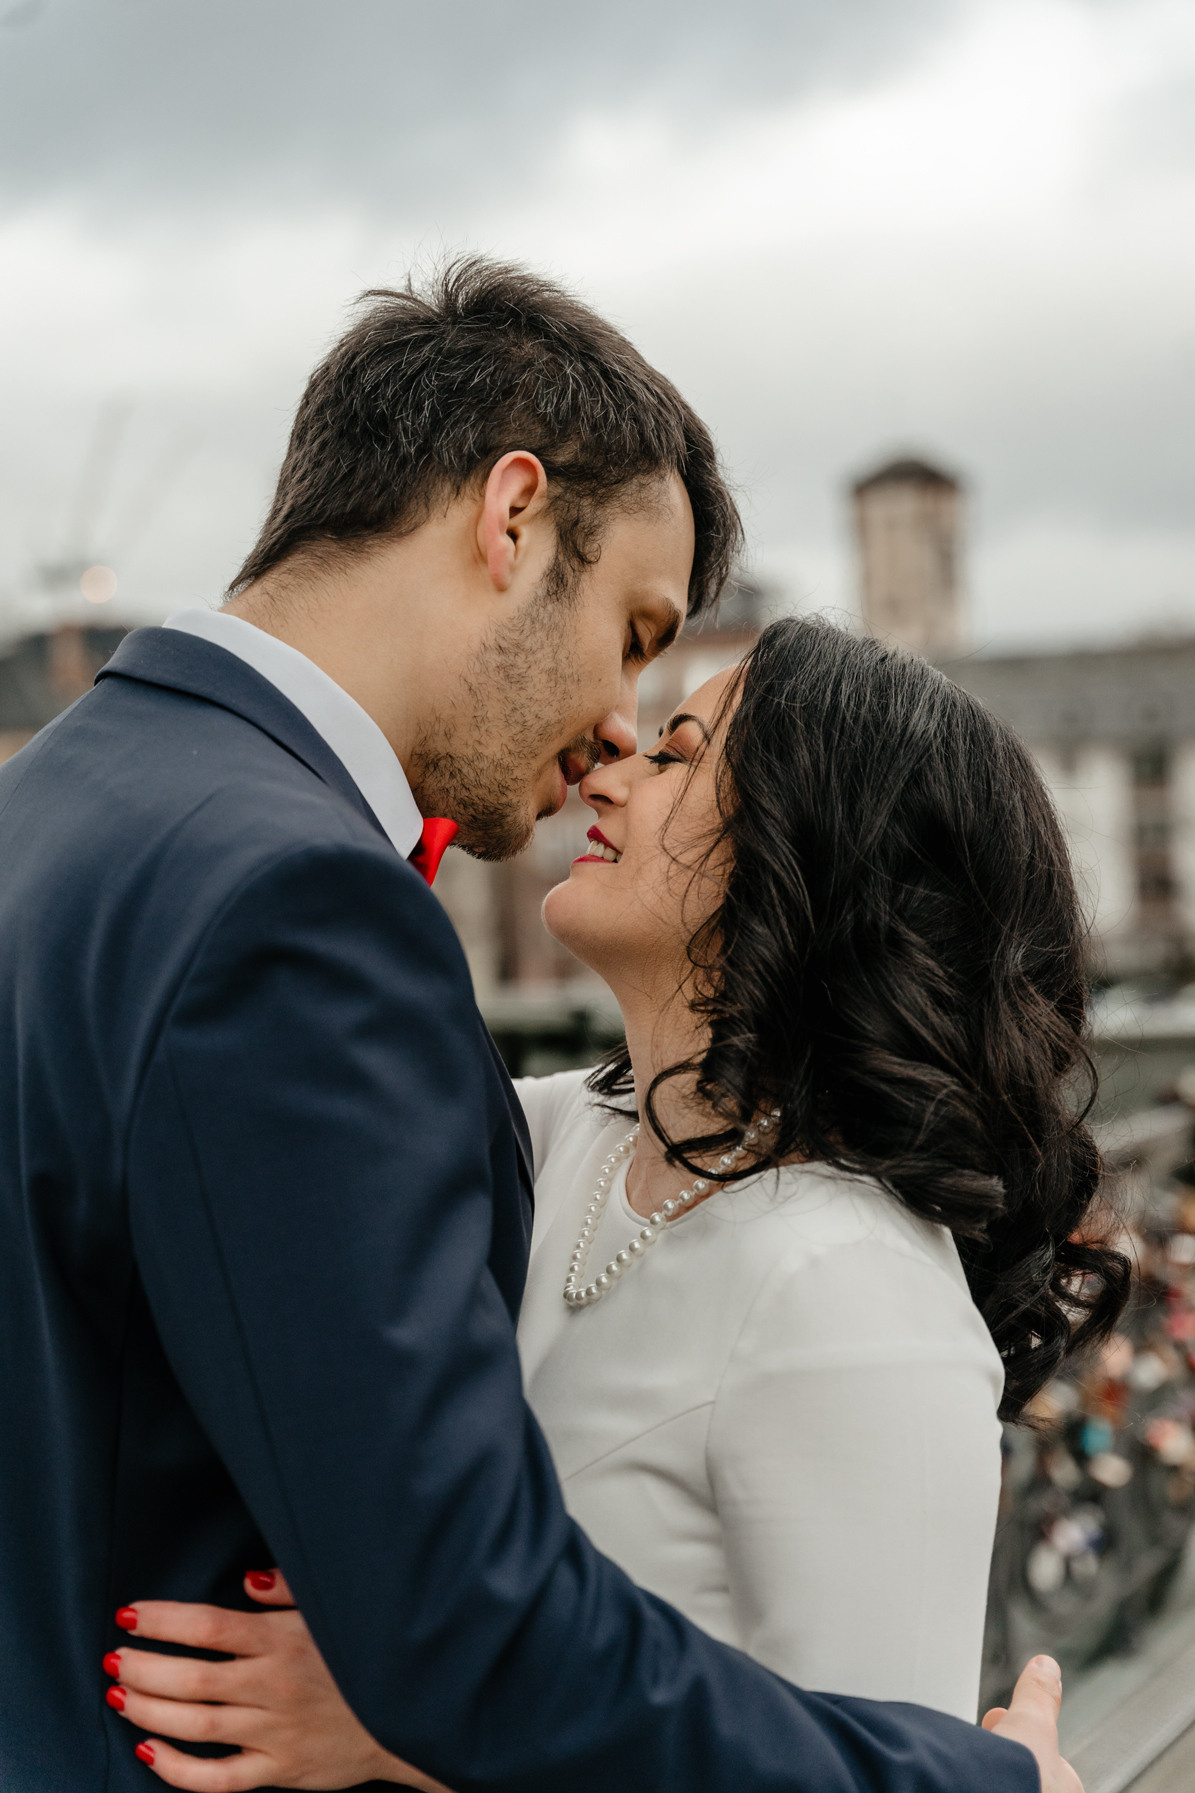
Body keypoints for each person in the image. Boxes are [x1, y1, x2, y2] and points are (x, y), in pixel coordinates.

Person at [0, 257, 1063, 1793]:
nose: (620, 730)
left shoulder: (50, 803)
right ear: (508, 517)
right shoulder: (303, 901)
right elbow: (456, 1621)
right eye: (635, 632)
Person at [103, 621, 1124, 1789]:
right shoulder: (547, 1132)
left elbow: (856, 1768)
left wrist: (396, 1727)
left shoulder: (852, 1291)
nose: (612, 762)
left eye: (680, 753)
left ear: (812, 853)